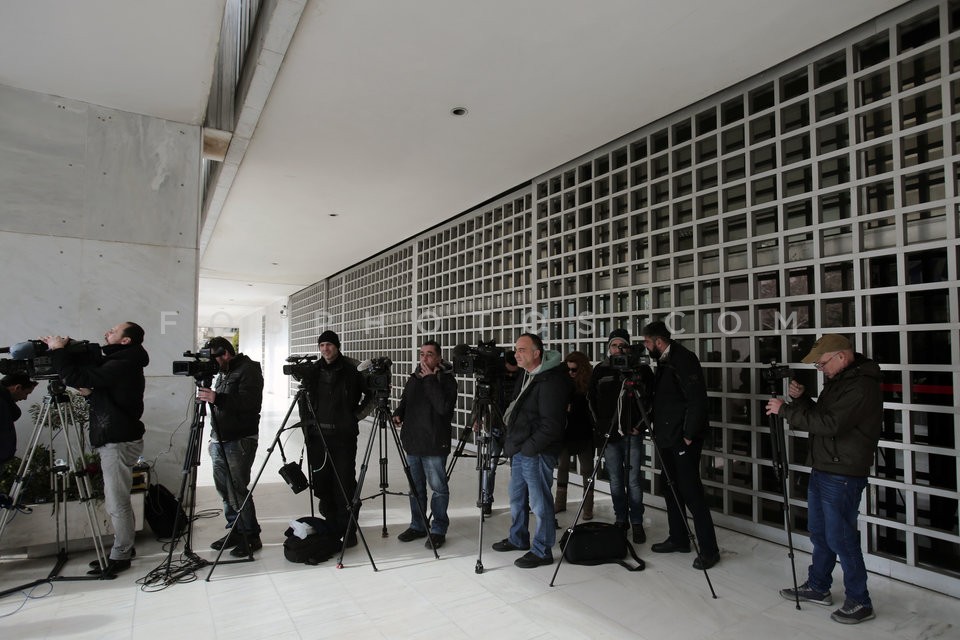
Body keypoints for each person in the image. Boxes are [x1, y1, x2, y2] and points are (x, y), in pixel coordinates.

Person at [766, 334, 882, 625]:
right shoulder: (840, 381)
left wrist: (786, 410)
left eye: (822, 364)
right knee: (819, 532)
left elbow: (830, 424)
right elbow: (823, 415)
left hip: (843, 472)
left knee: (840, 537)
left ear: (841, 356)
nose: (822, 369)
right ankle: (819, 585)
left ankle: (860, 600)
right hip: (825, 466)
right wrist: (802, 399)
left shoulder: (861, 386)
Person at [42, 322, 148, 576]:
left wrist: (58, 350)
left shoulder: (123, 362)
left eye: (113, 331)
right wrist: (90, 393)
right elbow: (110, 396)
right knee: (117, 499)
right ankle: (125, 547)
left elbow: (79, 377)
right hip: (117, 436)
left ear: (126, 341)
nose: (106, 332)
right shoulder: (123, 360)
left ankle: (121, 555)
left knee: (116, 501)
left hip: (118, 440)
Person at [642, 320, 720, 570]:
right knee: (670, 488)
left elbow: (696, 399)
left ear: (658, 341)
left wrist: (688, 434)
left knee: (691, 492)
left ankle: (709, 550)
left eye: (647, 342)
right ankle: (679, 538)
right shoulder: (664, 360)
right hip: (666, 436)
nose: (645, 347)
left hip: (682, 438)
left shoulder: (683, 358)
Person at [492, 333, 569, 568]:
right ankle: (518, 538)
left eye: (522, 350)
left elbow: (552, 425)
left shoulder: (552, 380)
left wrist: (528, 448)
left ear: (537, 353)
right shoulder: (527, 375)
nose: (516, 354)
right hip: (521, 449)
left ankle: (542, 549)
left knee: (540, 502)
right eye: (516, 349)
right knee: (517, 498)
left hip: (536, 452)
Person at [197, 336, 264, 557]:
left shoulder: (249, 370)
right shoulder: (223, 372)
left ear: (225, 353)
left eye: (213, 358)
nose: (211, 364)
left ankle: (251, 535)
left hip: (240, 439)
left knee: (237, 489)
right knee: (224, 490)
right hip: (219, 437)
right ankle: (235, 529)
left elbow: (250, 404)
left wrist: (217, 398)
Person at [305, 330, 372, 546]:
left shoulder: (354, 368)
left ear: (338, 345)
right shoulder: (313, 370)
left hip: (343, 436)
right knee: (322, 483)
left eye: (329, 344)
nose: (326, 348)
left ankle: (348, 530)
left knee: (344, 484)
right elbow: (304, 402)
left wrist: (355, 417)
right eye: (322, 345)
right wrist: (307, 428)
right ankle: (331, 525)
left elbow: (372, 395)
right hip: (318, 437)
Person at [588, 330, 653, 542]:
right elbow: (591, 399)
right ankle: (621, 519)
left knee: (633, 481)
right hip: (609, 434)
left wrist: (640, 425)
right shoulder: (601, 369)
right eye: (614, 345)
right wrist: (600, 426)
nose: (618, 349)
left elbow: (652, 400)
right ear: (608, 348)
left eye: (622, 345)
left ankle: (636, 522)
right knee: (615, 480)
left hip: (631, 433)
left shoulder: (640, 369)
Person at [392, 341, 458, 549]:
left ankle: (438, 528)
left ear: (438, 357)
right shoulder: (414, 378)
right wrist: (398, 413)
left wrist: (430, 379)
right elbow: (405, 401)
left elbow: (442, 408)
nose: (424, 358)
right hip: (413, 442)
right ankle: (418, 525)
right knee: (415, 489)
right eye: (422, 354)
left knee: (438, 489)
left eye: (429, 354)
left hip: (434, 444)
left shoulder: (447, 381)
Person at [479, 350, 520, 515]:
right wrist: (477, 418)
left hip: (515, 428)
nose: (512, 372)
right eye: (510, 369)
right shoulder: (493, 376)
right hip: (494, 425)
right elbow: (481, 397)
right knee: (490, 466)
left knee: (517, 467)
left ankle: (520, 501)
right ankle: (486, 500)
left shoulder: (523, 375)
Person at [555, 351, 595, 520]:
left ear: (582, 369)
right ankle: (559, 503)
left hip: (584, 433)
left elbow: (591, 410)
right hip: (565, 432)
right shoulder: (563, 384)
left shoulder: (590, 385)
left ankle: (588, 507)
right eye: (568, 369)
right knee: (562, 467)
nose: (570, 372)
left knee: (587, 470)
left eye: (574, 369)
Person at [1, 372, 38, 465]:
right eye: (26, 393)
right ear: (17, 387)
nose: (25, 398)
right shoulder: (2, 404)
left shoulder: (6, 404)